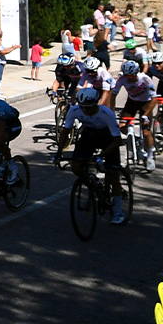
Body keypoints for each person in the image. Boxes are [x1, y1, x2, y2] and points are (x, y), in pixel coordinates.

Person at [64, 86, 126, 224]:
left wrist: (101, 155)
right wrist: (58, 152)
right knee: (76, 167)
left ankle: (118, 211)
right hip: (89, 135)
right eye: (83, 107)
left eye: (89, 108)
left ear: (96, 104)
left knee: (113, 174)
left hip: (108, 139)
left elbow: (117, 141)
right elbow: (65, 131)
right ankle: (95, 183)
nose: (85, 111)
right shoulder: (74, 110)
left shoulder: (107, 114)